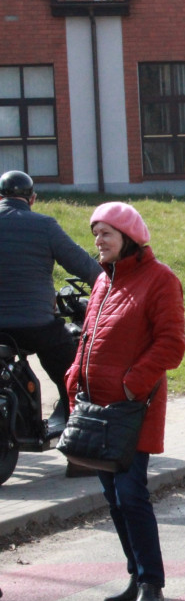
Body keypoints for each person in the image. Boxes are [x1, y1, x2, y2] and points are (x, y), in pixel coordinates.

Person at [66, 203, 185, 601]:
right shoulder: (103, 280)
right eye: (95, 234)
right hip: (96, 409)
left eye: (106, 235)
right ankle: (136, 575)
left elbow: (171, 345)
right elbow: (89, 336)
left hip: (134, 408)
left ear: (129, 238)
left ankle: (152, 583)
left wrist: (129, 384)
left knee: (132, 494)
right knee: (112, 496)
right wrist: (75, 374)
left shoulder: (160, 279)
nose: (98, 242)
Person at [0, 170, 100, 425]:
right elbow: (84, 266)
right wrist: (110, 283)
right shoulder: (45, 226)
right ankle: (78, 437)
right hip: (37, 326)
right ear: (32, 199)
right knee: (71, 376)